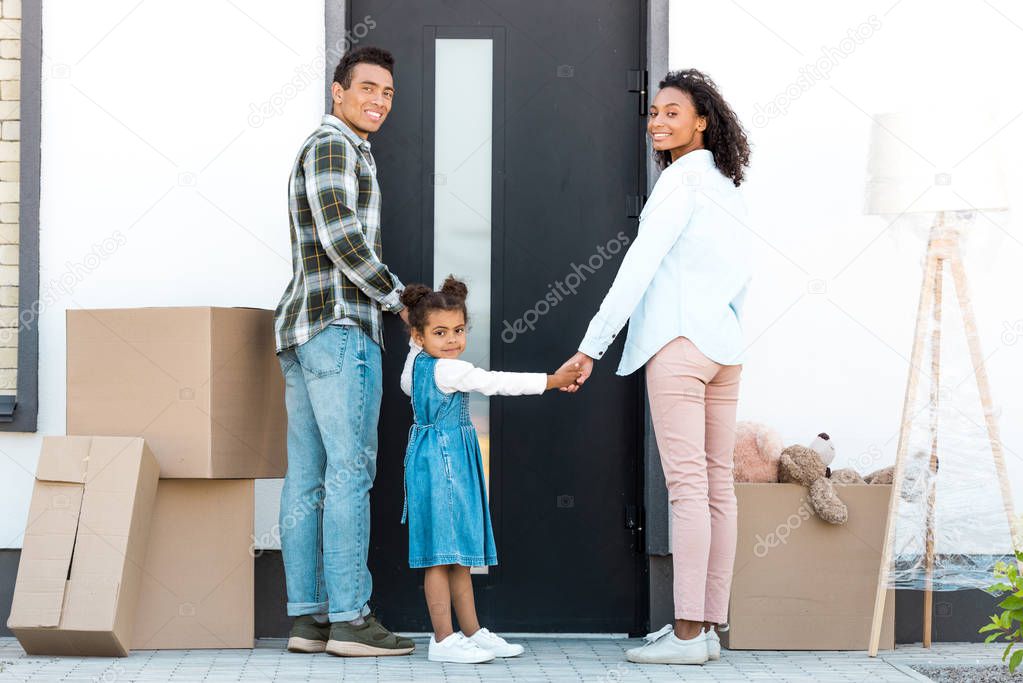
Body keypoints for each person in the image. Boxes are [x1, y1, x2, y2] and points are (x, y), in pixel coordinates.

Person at [562, 69, 753, 665]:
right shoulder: (728, 187)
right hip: (724, 348)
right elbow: (742, 279)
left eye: (673, 112)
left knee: (691, 489)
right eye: (654, 113)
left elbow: (638, 269)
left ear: (702, 121)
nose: (658, 122)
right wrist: (728, 331)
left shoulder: (679, 184)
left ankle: (689, 635)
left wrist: (592, 346)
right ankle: (710, 629)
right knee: (718, 487)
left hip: (678, 344)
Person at [273, 46, 414, 657]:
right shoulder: (333, 146)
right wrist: (399, 299)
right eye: (367, 89)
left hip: (304, 332)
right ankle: (351, 619)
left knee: (308, 478)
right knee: (350, 474)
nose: (378, 101)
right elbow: (341, 237)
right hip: (339, 328)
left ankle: (309, 619)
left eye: (387, 92)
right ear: (337, 92)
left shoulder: (339, 148)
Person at [399, 276, 582, 663]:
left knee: (458, 553)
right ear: (419, 335)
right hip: (445, 461)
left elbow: (409, 375)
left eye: (459, 330)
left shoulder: (416, 364)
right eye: (440, 332)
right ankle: (443, 640)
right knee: (439, 554)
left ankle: (471, 632)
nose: (452, 340)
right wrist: (552, 381)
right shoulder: (447, 370)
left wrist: (417, 342)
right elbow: (495, 383)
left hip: (439, 457)